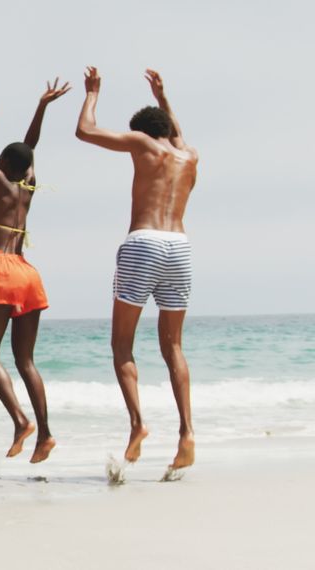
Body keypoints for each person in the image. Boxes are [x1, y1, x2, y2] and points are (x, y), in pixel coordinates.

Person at [76, 68, 198, 469]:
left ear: (143, 131)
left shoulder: (143, 143)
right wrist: (164, 98)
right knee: (173, 347)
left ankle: (137, 425)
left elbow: (85, 131)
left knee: (122, 345)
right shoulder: (189, 156)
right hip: (180, 247)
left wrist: (92, 93)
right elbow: (176, 131)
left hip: (144, 243)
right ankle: (187, 434)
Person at [0, 78, 70, 463]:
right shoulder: (27, 188)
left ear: (5, 166)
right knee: (25, 360)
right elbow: (29, 149)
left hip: (0, 271)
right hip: (28, 274)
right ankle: (44, 433)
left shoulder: (2, 186)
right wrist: (42, 106)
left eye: (1, 161)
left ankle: (20, 421)